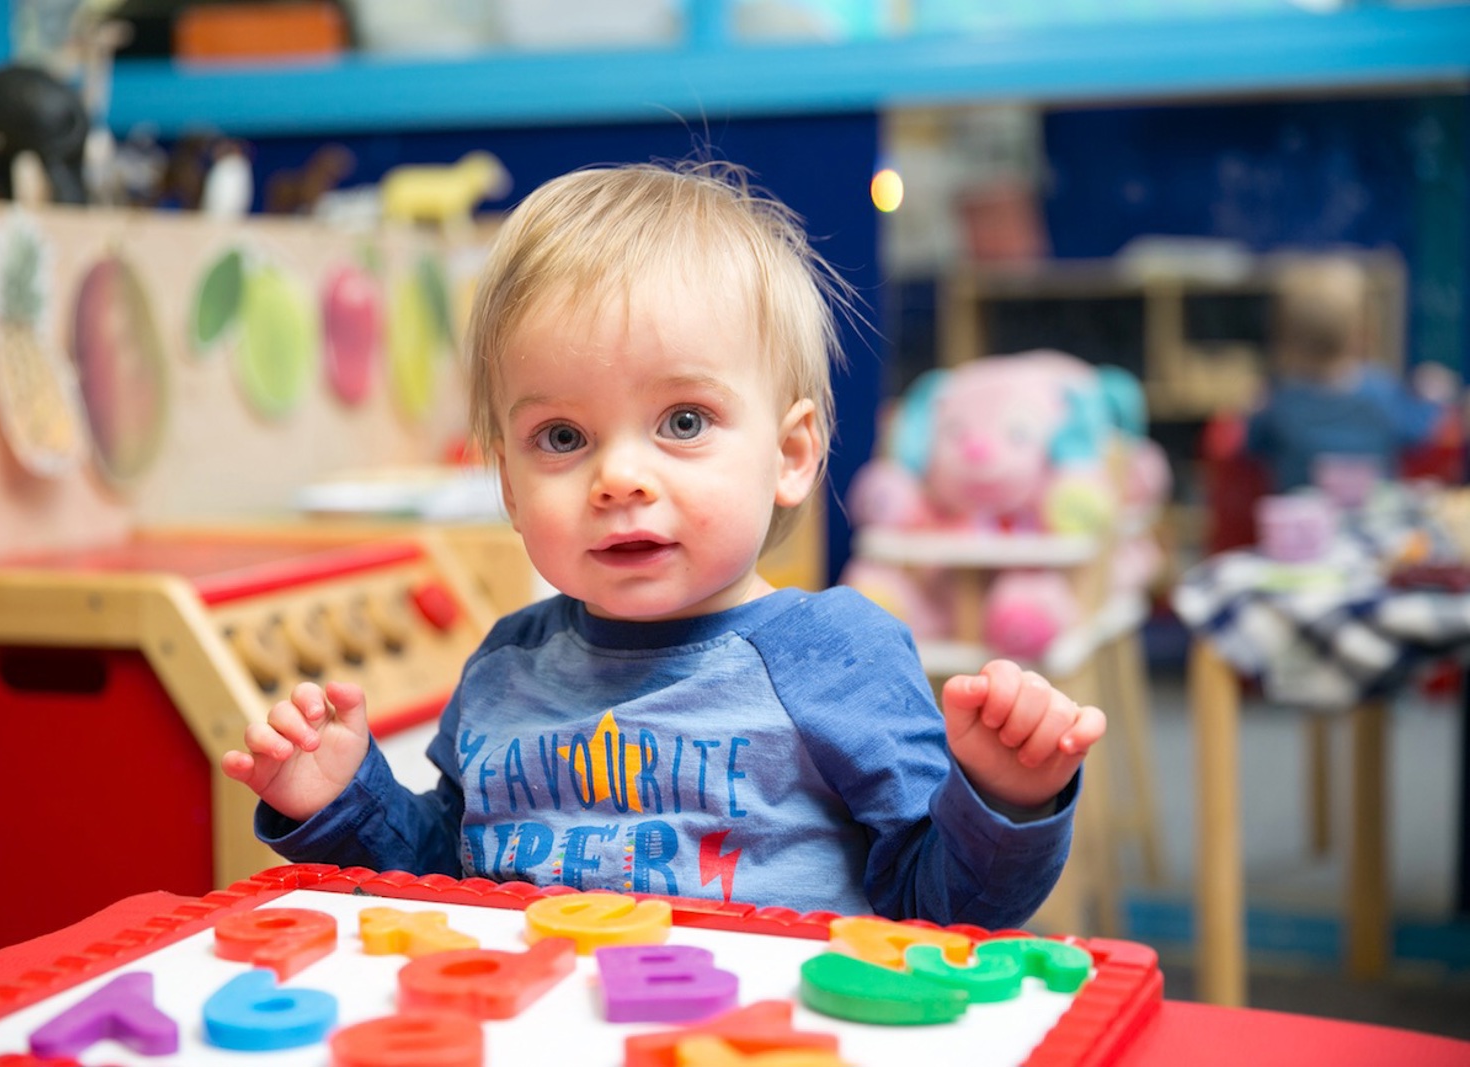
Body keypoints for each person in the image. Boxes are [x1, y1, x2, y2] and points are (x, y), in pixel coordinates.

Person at [222, 160, 1106, 927]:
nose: (619, 478)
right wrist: (343, 801)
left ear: (790, 455)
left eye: (683, 420)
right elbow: (440, 879)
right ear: (507, 485)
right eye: (562, 438)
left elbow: (945, 907)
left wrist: (1001, 797)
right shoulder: (505, 667)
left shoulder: (835, 656)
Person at [1245, 254, 1456, 492]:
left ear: (1287, 338)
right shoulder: (1381, 390)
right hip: (1371, 520)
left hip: (1304, 524)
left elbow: (1252, 444)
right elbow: (1418, 431)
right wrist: (1433, 399)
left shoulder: (1283, 400)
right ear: (1360, 333)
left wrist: (1255, 407)